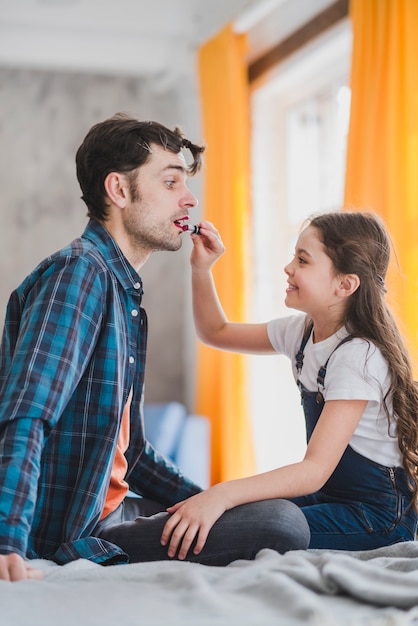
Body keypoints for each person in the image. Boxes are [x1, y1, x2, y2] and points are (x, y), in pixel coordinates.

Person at [0, 113, 310, 581]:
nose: (189, 199)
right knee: (282, 522)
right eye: (170, 182)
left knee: (267, 508)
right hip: (78, 529)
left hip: (117, 509)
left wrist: (208, 502)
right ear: (119, 192)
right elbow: (27, 411)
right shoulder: (79, 274)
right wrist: (8, 541)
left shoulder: (122, 294)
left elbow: (136, 453)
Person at [161, 211, 418, 559]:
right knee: (235, 514)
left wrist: (221, 492)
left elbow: (313, 470)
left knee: (254, 523)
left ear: (344, 284)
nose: (288, 268)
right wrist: (201, 269)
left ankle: (136, 541)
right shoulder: (301, 332)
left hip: (375, 517)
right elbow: (215, 332)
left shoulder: (358, 356)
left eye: (303, 260)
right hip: (329, 495)